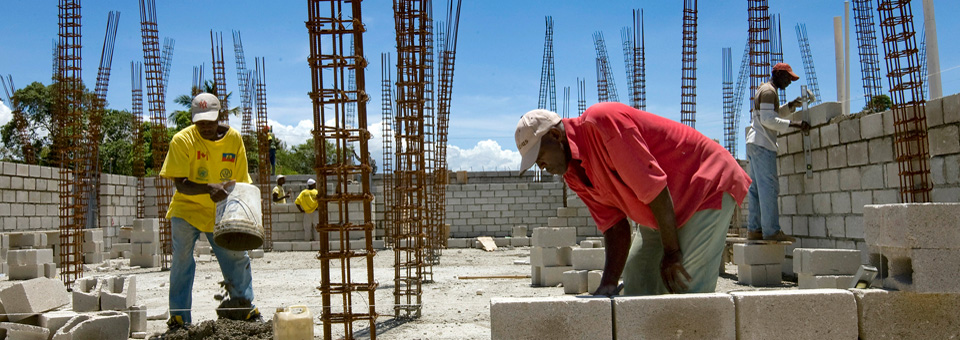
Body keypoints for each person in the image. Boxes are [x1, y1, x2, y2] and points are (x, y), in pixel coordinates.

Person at [515, 102, 751, 296]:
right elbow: (614, 226)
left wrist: (671, 252)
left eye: (540, 156)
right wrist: (607, 286)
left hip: (704, 184)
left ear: (555, 136)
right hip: (663, 209)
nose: (541, 166)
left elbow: (655, 189)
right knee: (638, 280)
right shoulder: (573, 176)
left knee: (683, 282)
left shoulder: (602, 123)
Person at [159, 93, 260, 328]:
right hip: (187, 210)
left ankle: (243, 309)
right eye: (200, 122)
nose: (205, 127)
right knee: (182, 261)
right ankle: (179, 318)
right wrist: (209, 187)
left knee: (235, 257)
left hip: (221, 210)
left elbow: (242, 182)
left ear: (219, 117)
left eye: (210, 121)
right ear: (193, 119)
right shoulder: (182, 140)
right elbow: (181, 184)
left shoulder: (234, 139)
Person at [744, 62, 811, 242]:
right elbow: (768, 120)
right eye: (788, 78)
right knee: (769, 188)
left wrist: (791, 105)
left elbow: (771, 115)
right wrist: (795, 124)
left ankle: (755, 229)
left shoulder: (766, 90)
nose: (789, 82)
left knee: (757, 189)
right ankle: (772, 231)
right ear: (779, 74)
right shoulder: (768, 92)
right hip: (763, 144)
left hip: (755, 143)